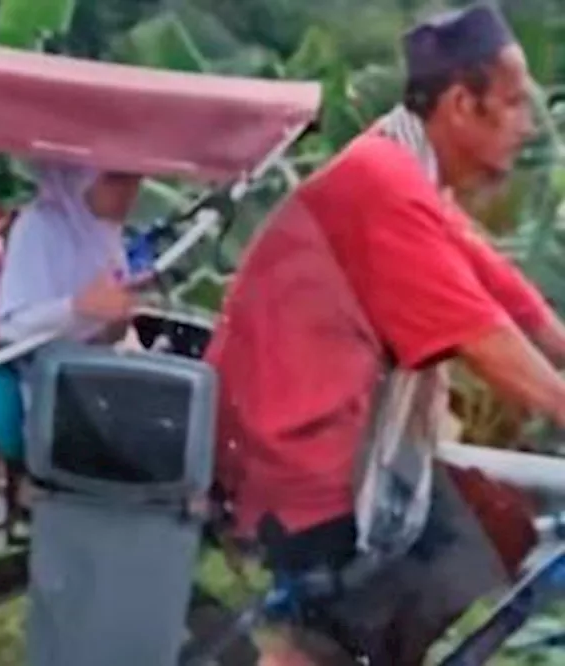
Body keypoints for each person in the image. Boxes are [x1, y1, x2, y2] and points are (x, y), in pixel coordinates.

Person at [205, 4, 565, 664]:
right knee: (403, 590)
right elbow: (490, 345)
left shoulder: (411, 174)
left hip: (329, 441)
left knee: (487, 532)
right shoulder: (385, 185)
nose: (526, 125)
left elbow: (518, 307)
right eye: (512, 104)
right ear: (462, 102)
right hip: (294, 457)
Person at [0, 162, 144, 345]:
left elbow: (102, 337)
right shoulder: (38, 226)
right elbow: (8, 330)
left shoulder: (105, 237)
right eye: (116, 180)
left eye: (136, 182)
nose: (129, 192)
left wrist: (119, 318)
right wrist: (77, 308)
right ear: (80, 180)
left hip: (83, 367)